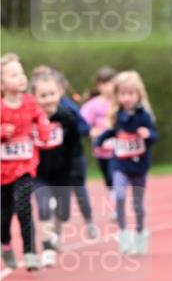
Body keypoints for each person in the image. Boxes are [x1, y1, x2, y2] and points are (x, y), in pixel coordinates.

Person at [95, 71, 158, 255]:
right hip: (120, 164)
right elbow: (111, 132)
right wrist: (100, 141)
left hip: (139, 166)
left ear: (139, 94)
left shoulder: (144, 116)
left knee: (138, 205)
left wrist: (148, 135)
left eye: (131, 94)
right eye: (123, 94)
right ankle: (123, 234)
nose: (127, 98)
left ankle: (139, 234)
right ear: (117, 95)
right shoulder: (116, 115)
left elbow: (154, 135)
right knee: (120, 196)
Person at [1, 53, 50, 271]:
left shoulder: (30, 102)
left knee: (24, 208)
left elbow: (41, 118)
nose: (21, 78)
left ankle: (30, 252)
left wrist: (43, 129)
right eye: (13, 75)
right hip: (3, 169)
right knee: (4, 214)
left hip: (25, 165)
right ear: (2, 84)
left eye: (21, 73)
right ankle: (5, 244)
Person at [31, 68, 83, 267]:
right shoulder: (31, 120)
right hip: (38, 173)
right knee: (43, 206)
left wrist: (73, 172)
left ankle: (56, 236)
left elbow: (75, 147)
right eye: (42, 95)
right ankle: (47, 248)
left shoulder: (67, 117)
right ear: (34, 97)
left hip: (63, 173)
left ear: (59, 93)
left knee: (63, 213)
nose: (48, 99)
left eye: (52, 94)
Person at [81, 67, 117, 215]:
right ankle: (115, 200)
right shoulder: (93, 105)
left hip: (119, 149)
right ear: (98, 86)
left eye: (111, 83)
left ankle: (116, 206)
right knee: (108, 178)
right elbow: (82, 123)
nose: (108, 87)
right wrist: (91, 131)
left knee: (115, 175)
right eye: (104, 83)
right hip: (102, 150)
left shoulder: (121, 101)